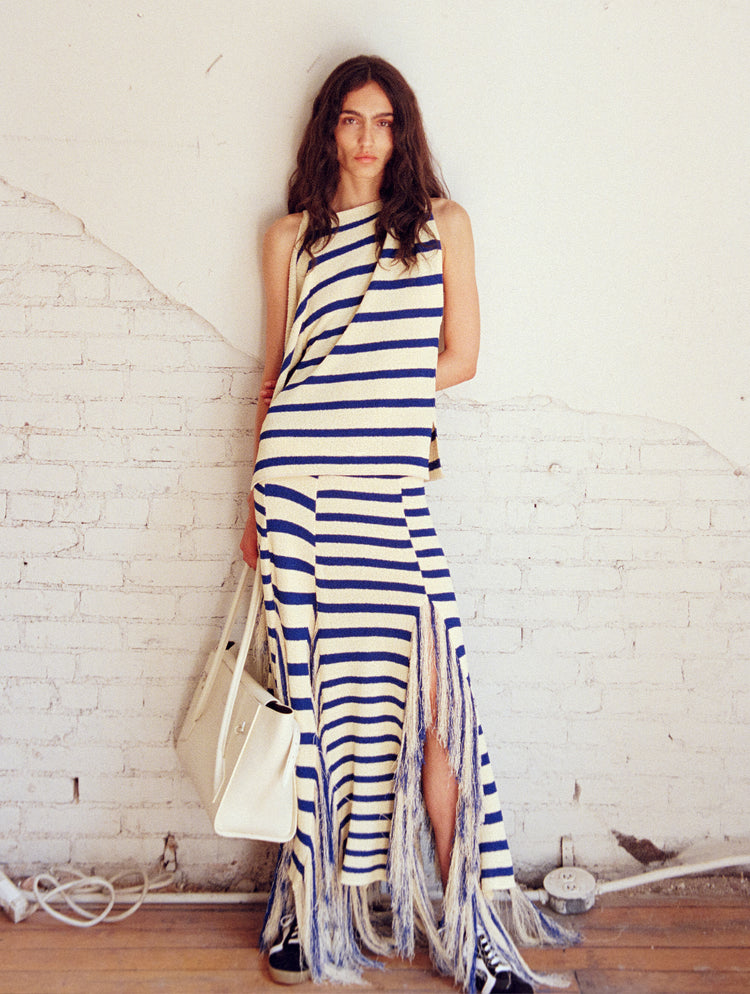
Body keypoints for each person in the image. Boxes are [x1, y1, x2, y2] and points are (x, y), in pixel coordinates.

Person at [240, 55, 573, 994]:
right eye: (351, 119)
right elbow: (275, 375)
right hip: (297, 492)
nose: (366, 138)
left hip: (388, 497)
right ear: (328, 129)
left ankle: (468, 933)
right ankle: (309, 918)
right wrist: (247, 508)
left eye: (383, 122)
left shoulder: (440, 227)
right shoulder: (290, 239)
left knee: (435, 716)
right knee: (315, 712)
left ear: (403, 132)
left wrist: (370, 396)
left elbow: (460, 356)